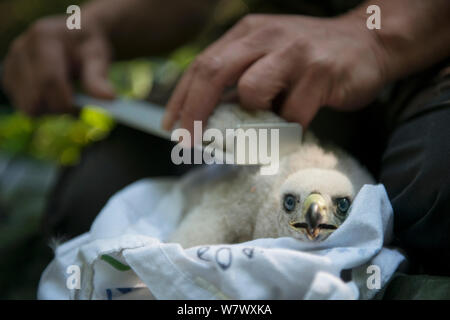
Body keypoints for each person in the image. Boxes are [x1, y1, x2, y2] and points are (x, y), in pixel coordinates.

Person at [2, 0, 450, 275]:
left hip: (431, 45)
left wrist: (374, 37)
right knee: (94, 195)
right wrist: (93, 22)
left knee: (432, 188)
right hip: (273, 58)